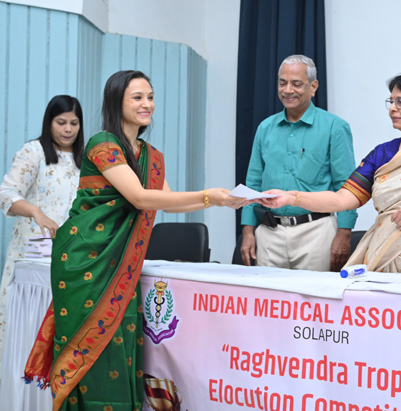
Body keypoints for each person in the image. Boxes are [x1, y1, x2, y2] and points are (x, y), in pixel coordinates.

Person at [23, 70, 248, 411]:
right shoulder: (102, 144)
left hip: (121, 267)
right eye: (137, 97)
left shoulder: (149, 155)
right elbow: (140, 198)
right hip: (85, 261)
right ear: (117, 102)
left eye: (150, 97)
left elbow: (167, 201)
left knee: (121, 346)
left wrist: (222, 200)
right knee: (89, 354)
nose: (147, 104)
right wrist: (208, 197)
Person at [261, 72, 401, 276]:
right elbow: (342, 200)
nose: (393, 108)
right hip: (384, 261)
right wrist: (291, 197)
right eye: (391, 101)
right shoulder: (382, 154)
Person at [240, 54, 357, 271]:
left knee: (315, 294)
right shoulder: (265, 128)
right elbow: (253, 182)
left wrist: (344, 232)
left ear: (313, 87)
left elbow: (346, 186)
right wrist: (248, 230)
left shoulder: (335, 127)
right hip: (269, 233)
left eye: (296, 84)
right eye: (282, 83)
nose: (287, 90)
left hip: (316, 231)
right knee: (267, 293)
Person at [0, 95, 84, 373]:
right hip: (33, 255)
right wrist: (35, 211)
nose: (68, 129)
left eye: (74, 123)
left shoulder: (86, 160)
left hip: (71, 256)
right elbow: (6, 194)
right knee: (28, 325)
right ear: (49, 122)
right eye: (61, 122)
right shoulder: (33, 152)